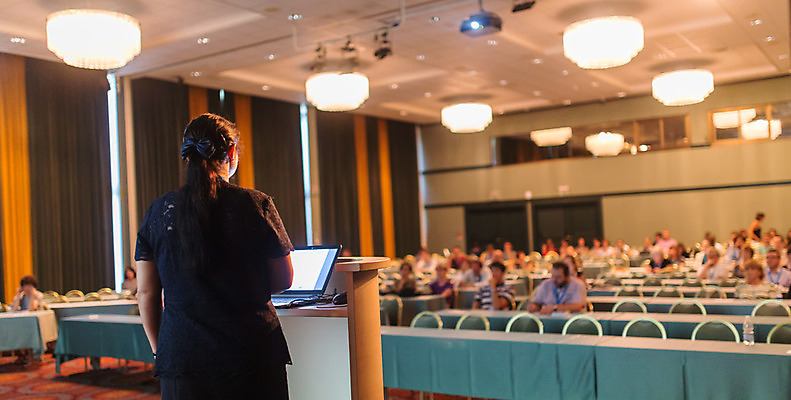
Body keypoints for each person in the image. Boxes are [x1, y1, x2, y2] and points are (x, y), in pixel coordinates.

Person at [135, 114, 294, 399]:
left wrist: (162, 348)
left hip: (182, 358)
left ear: (187, 155)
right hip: (251, 353)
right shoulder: (255, 203)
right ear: (231, 152)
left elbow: (146, 291)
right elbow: (284, 278)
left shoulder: (158, 211)